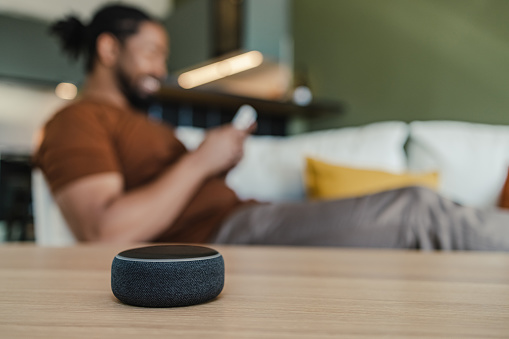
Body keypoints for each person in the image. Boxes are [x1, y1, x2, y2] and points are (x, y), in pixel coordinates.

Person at [36, 4, 509, 250]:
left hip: (246, 221)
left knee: (415, 212)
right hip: (223, 235)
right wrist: (201, 160)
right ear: (107, 49)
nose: (162, 66)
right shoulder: (75, 121)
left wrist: (216, 162)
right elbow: (105, 232)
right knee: (414, 210)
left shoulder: (136, 123)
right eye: (153, 51)